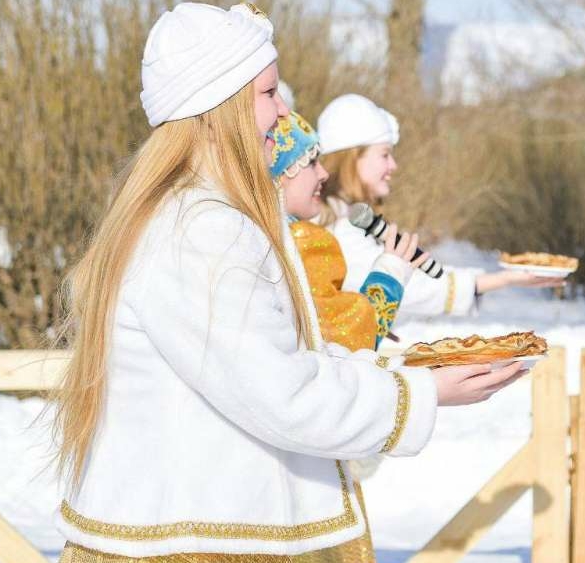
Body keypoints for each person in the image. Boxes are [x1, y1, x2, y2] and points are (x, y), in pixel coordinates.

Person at [51, 4, 525, 562]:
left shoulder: (203, 218)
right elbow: (282, 393)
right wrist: (422, 393)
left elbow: (281, 360)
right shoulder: (200, 230)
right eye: (269, 94)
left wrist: (406, 372)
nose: (283, 112)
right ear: (220, 107)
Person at [317, 94, 564, 320]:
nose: (393, 165)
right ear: (352, 158)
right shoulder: (337, 226)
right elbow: (402, 286)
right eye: (384, 155)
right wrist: (501, 280)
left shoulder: (346, 216)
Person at [271, 110, 426, 350]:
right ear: (281, 174)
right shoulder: (304, 240)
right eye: (311, 162)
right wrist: (390, 274)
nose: (323, 173)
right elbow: (343, 342)